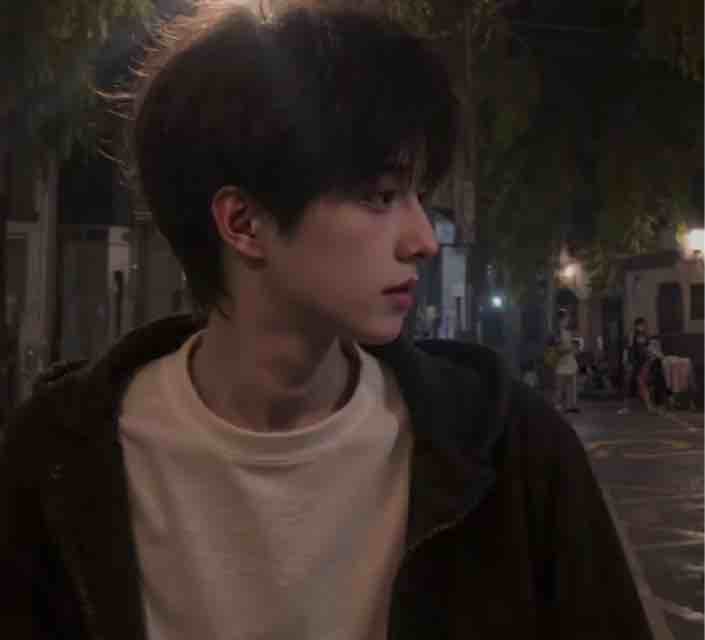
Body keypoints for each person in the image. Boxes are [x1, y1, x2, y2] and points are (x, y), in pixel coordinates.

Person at [0, 4, 653, 639]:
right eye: (380, 197)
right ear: (243, 223)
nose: (423, 240)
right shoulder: (58, 463)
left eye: (418, 196)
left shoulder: (510, 454)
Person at [553, 308, 580, 413]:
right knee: (560, 387)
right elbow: (558, 349)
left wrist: (575, 349)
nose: (567, 320)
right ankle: (558, 405)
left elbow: (571, 346)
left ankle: (571, 405)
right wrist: (569, 349)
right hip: (561, 363)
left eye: (567, 318)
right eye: (565, 318)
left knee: (572, 385)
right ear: (560, 319)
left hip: (570, 361)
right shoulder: (557, 333)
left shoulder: (568, 332)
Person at [629, 317, 657, 413]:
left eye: (644, 325)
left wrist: (652, 355)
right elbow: (632, 348)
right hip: (639, 361)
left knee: (641, 382)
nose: (643, 327)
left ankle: (648, 404)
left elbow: (647, 348)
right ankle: (647, 403)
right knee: (641, 382)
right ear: (637, 326)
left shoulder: (643, 335)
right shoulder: (636, 335)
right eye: (641, 325)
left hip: (644, 361)